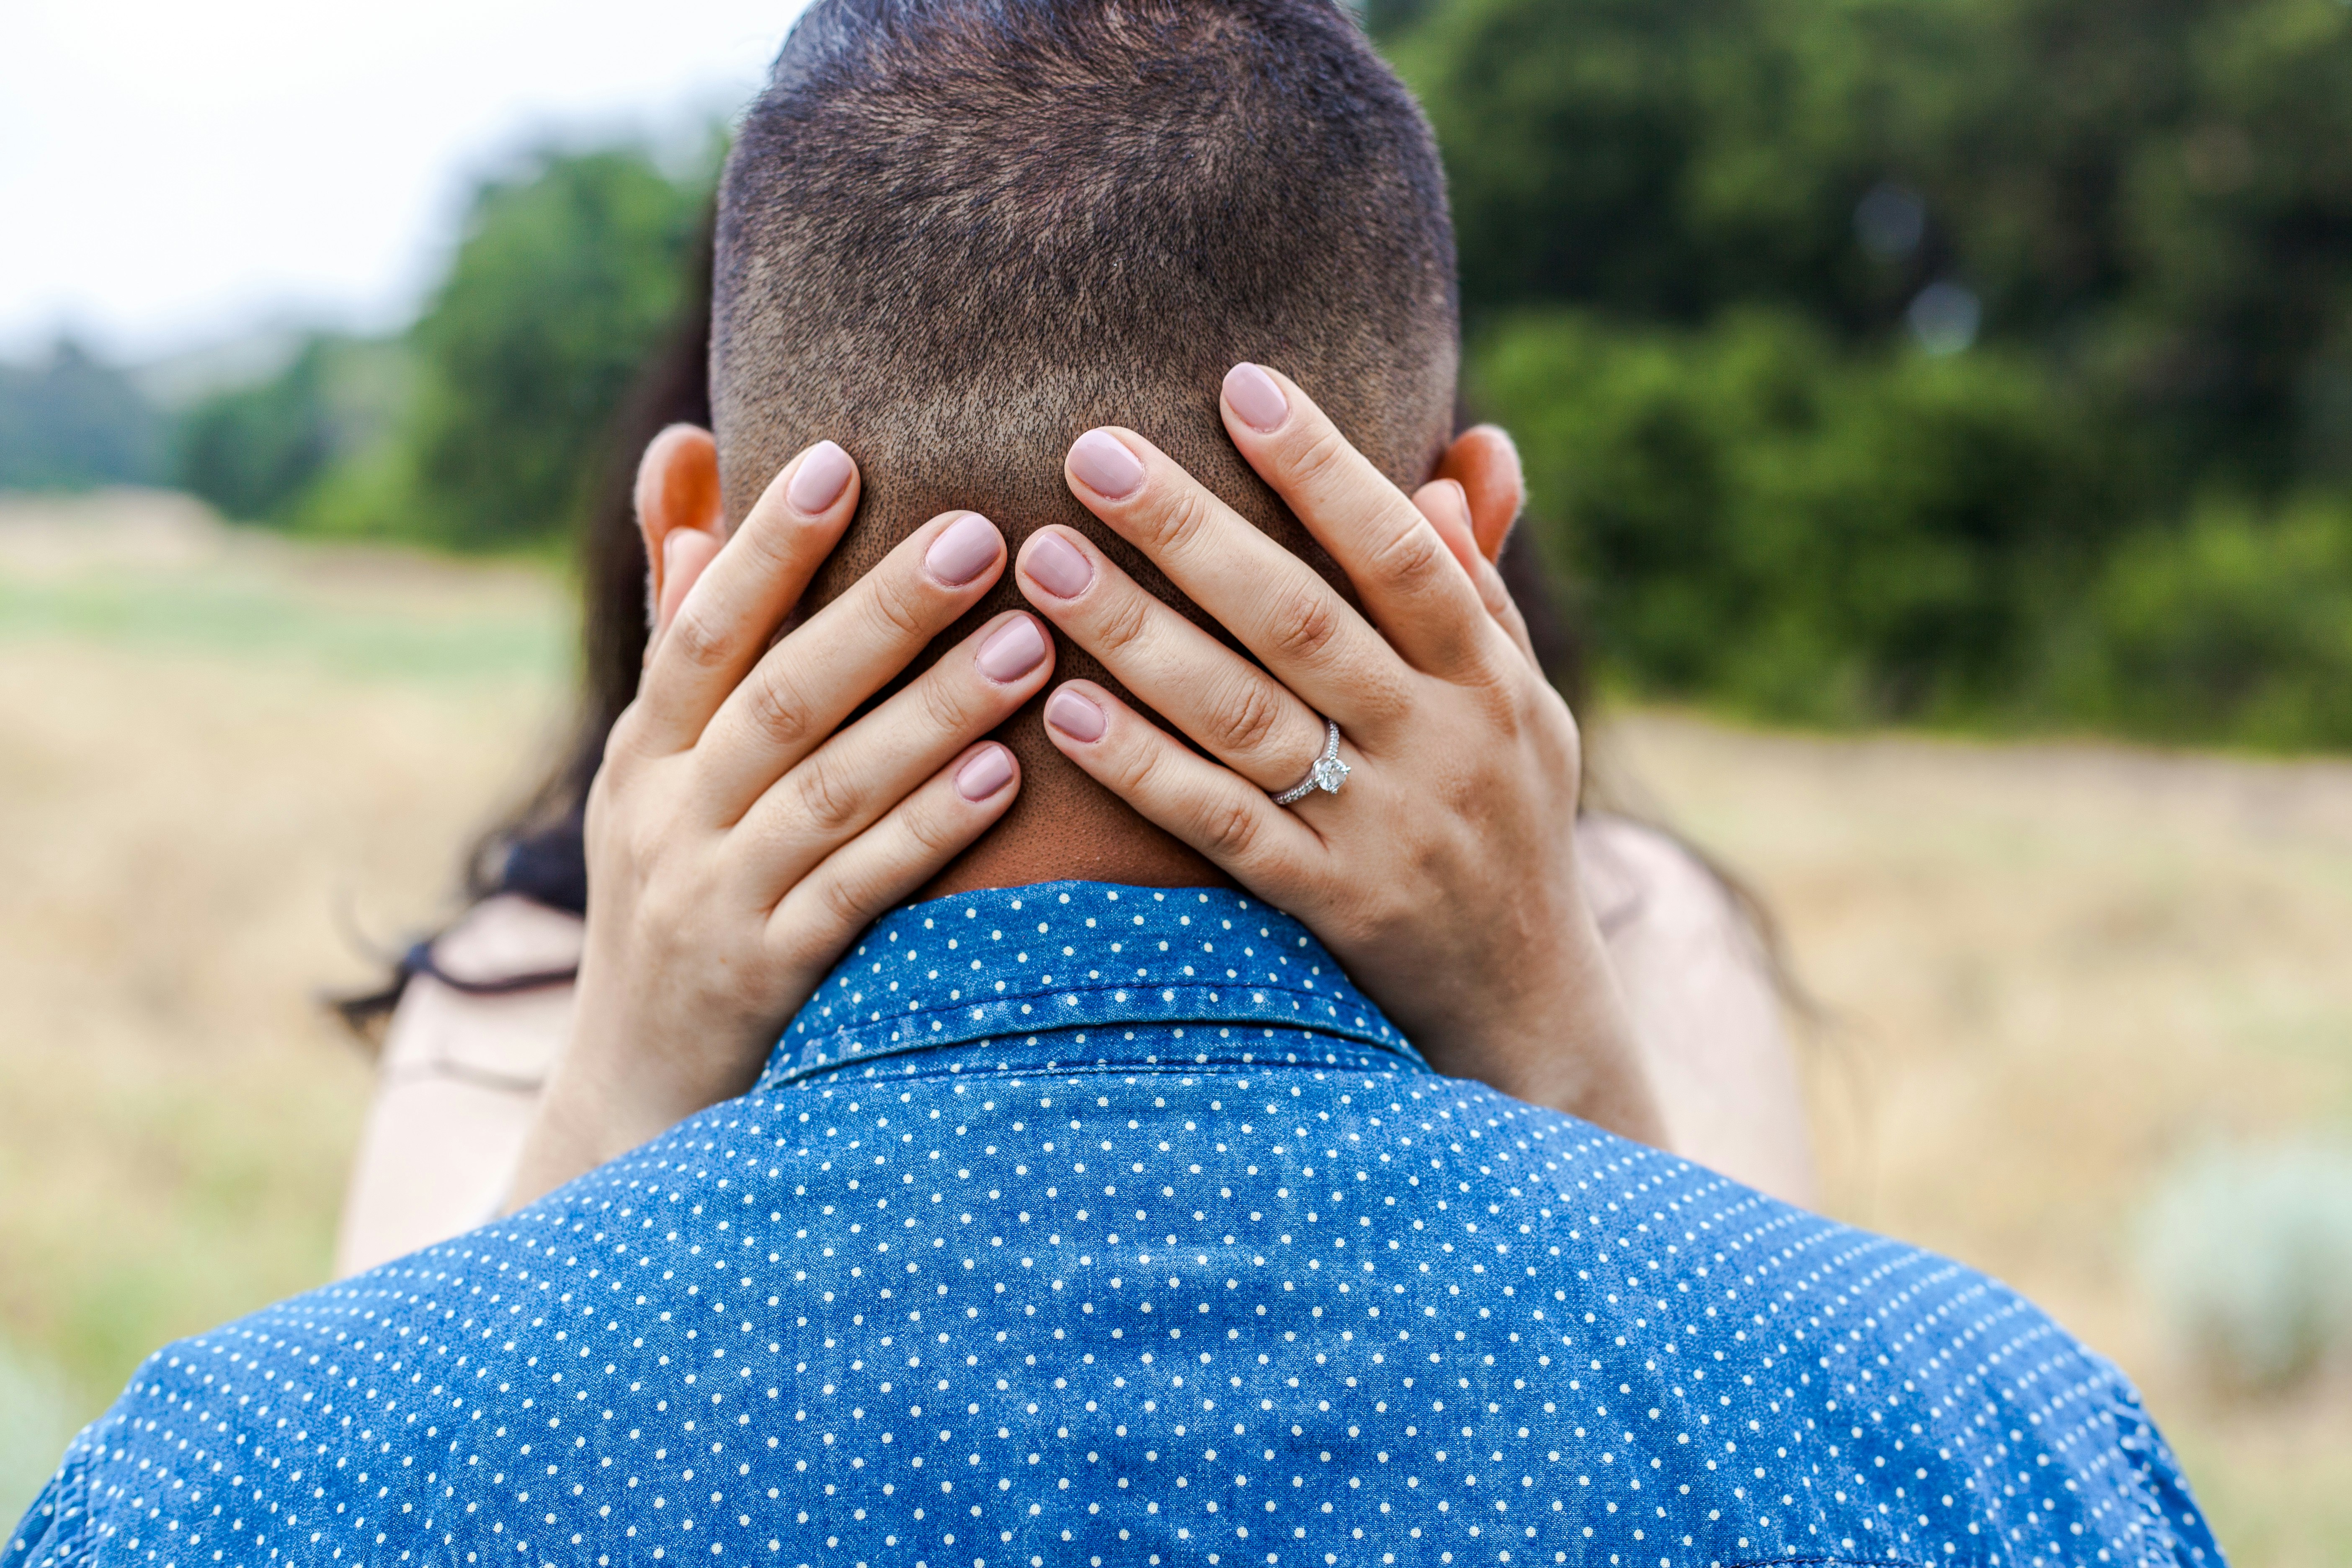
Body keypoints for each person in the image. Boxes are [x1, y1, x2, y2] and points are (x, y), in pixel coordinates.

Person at [8, 3, 2217, 1564]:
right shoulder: (2003, 1447)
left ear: (705, 537)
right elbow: (1759, 1411)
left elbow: (425, 1458)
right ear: (1455, 525)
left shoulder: (208, 1491)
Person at [333, 246, 1810, 1284]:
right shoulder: (537, 971)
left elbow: (1735, 1414)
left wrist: (1547, 1011)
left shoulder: (1630, 918)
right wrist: (627, 1065)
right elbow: (452, 1436)